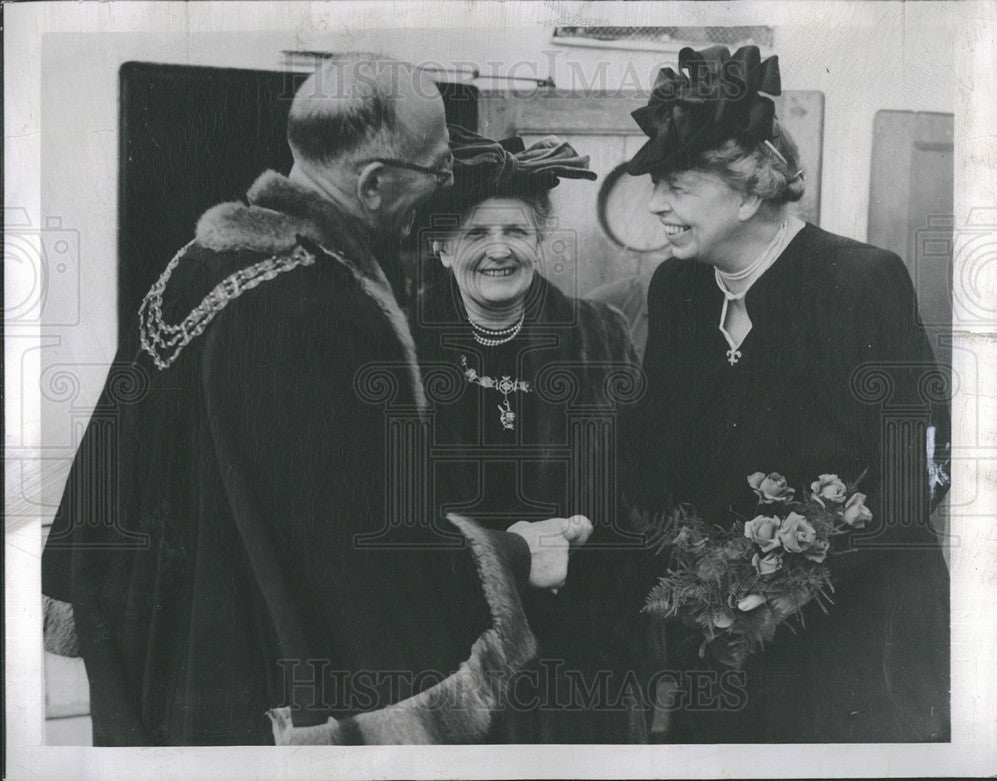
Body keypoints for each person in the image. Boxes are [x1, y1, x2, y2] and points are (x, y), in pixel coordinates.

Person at [40, 53, 595, 746]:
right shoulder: (317, 308)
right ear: (372, 183)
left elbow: (101, 510)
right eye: (440, 170)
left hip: (164, 680)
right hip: (253, 708)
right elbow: (359, 554)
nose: (448, 188)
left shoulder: (196, 264)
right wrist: (510, 553)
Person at [623, 45, 950, 742]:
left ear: (749, 190)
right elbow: (651, 457)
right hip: (718, 639)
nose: (655, 207)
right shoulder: (677, 290)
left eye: (677, 186)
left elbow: (912, 478)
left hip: (852, 638)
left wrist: (774, 594)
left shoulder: (861, 282)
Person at [410, 128, 649, 742]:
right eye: (475, 234)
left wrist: (592, 530)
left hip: (580, 645)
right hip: (451, 648)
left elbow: (635, 488)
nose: (499, 250)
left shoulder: (599, 336)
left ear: (539, 239)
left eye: (515, 231)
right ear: (441, 248)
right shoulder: (407, 343)